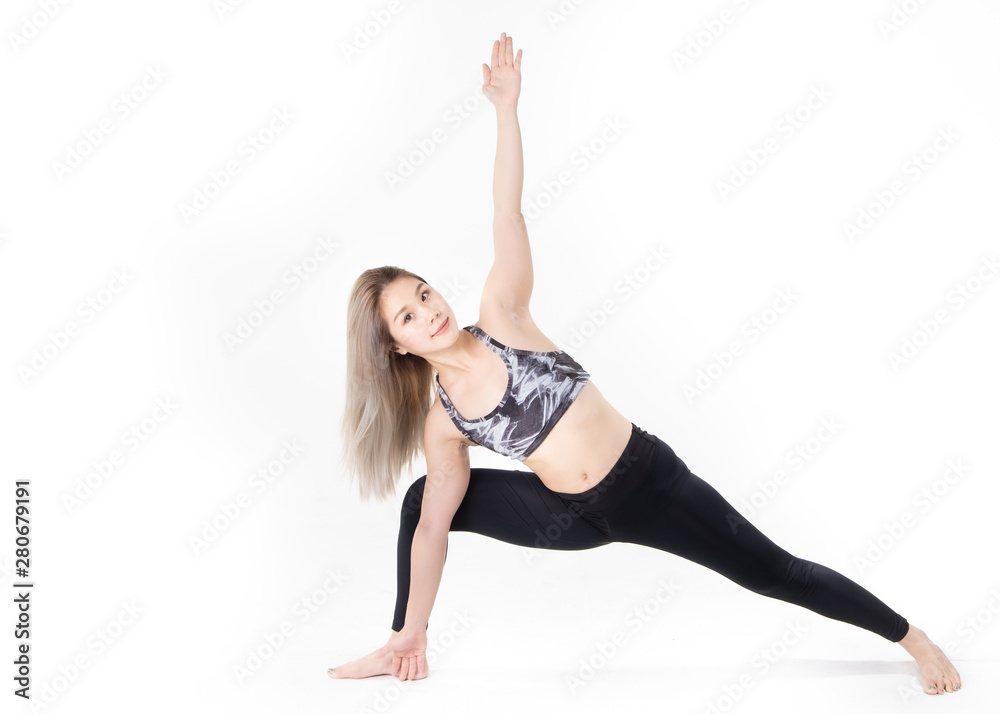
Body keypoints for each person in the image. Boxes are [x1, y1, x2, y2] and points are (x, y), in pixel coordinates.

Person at [329, 33, 962, 696]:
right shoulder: (444, 423)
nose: (428, 311)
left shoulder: (504, 315)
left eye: (423, 293)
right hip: (569, 515)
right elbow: (434, 528)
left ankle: (913, 638)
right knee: (421, 503)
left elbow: (506, 212)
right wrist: (416, 624)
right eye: (407, 317)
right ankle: (404, 639)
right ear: (397, 347)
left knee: (774, 572)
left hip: (648, 484)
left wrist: (506, 111)